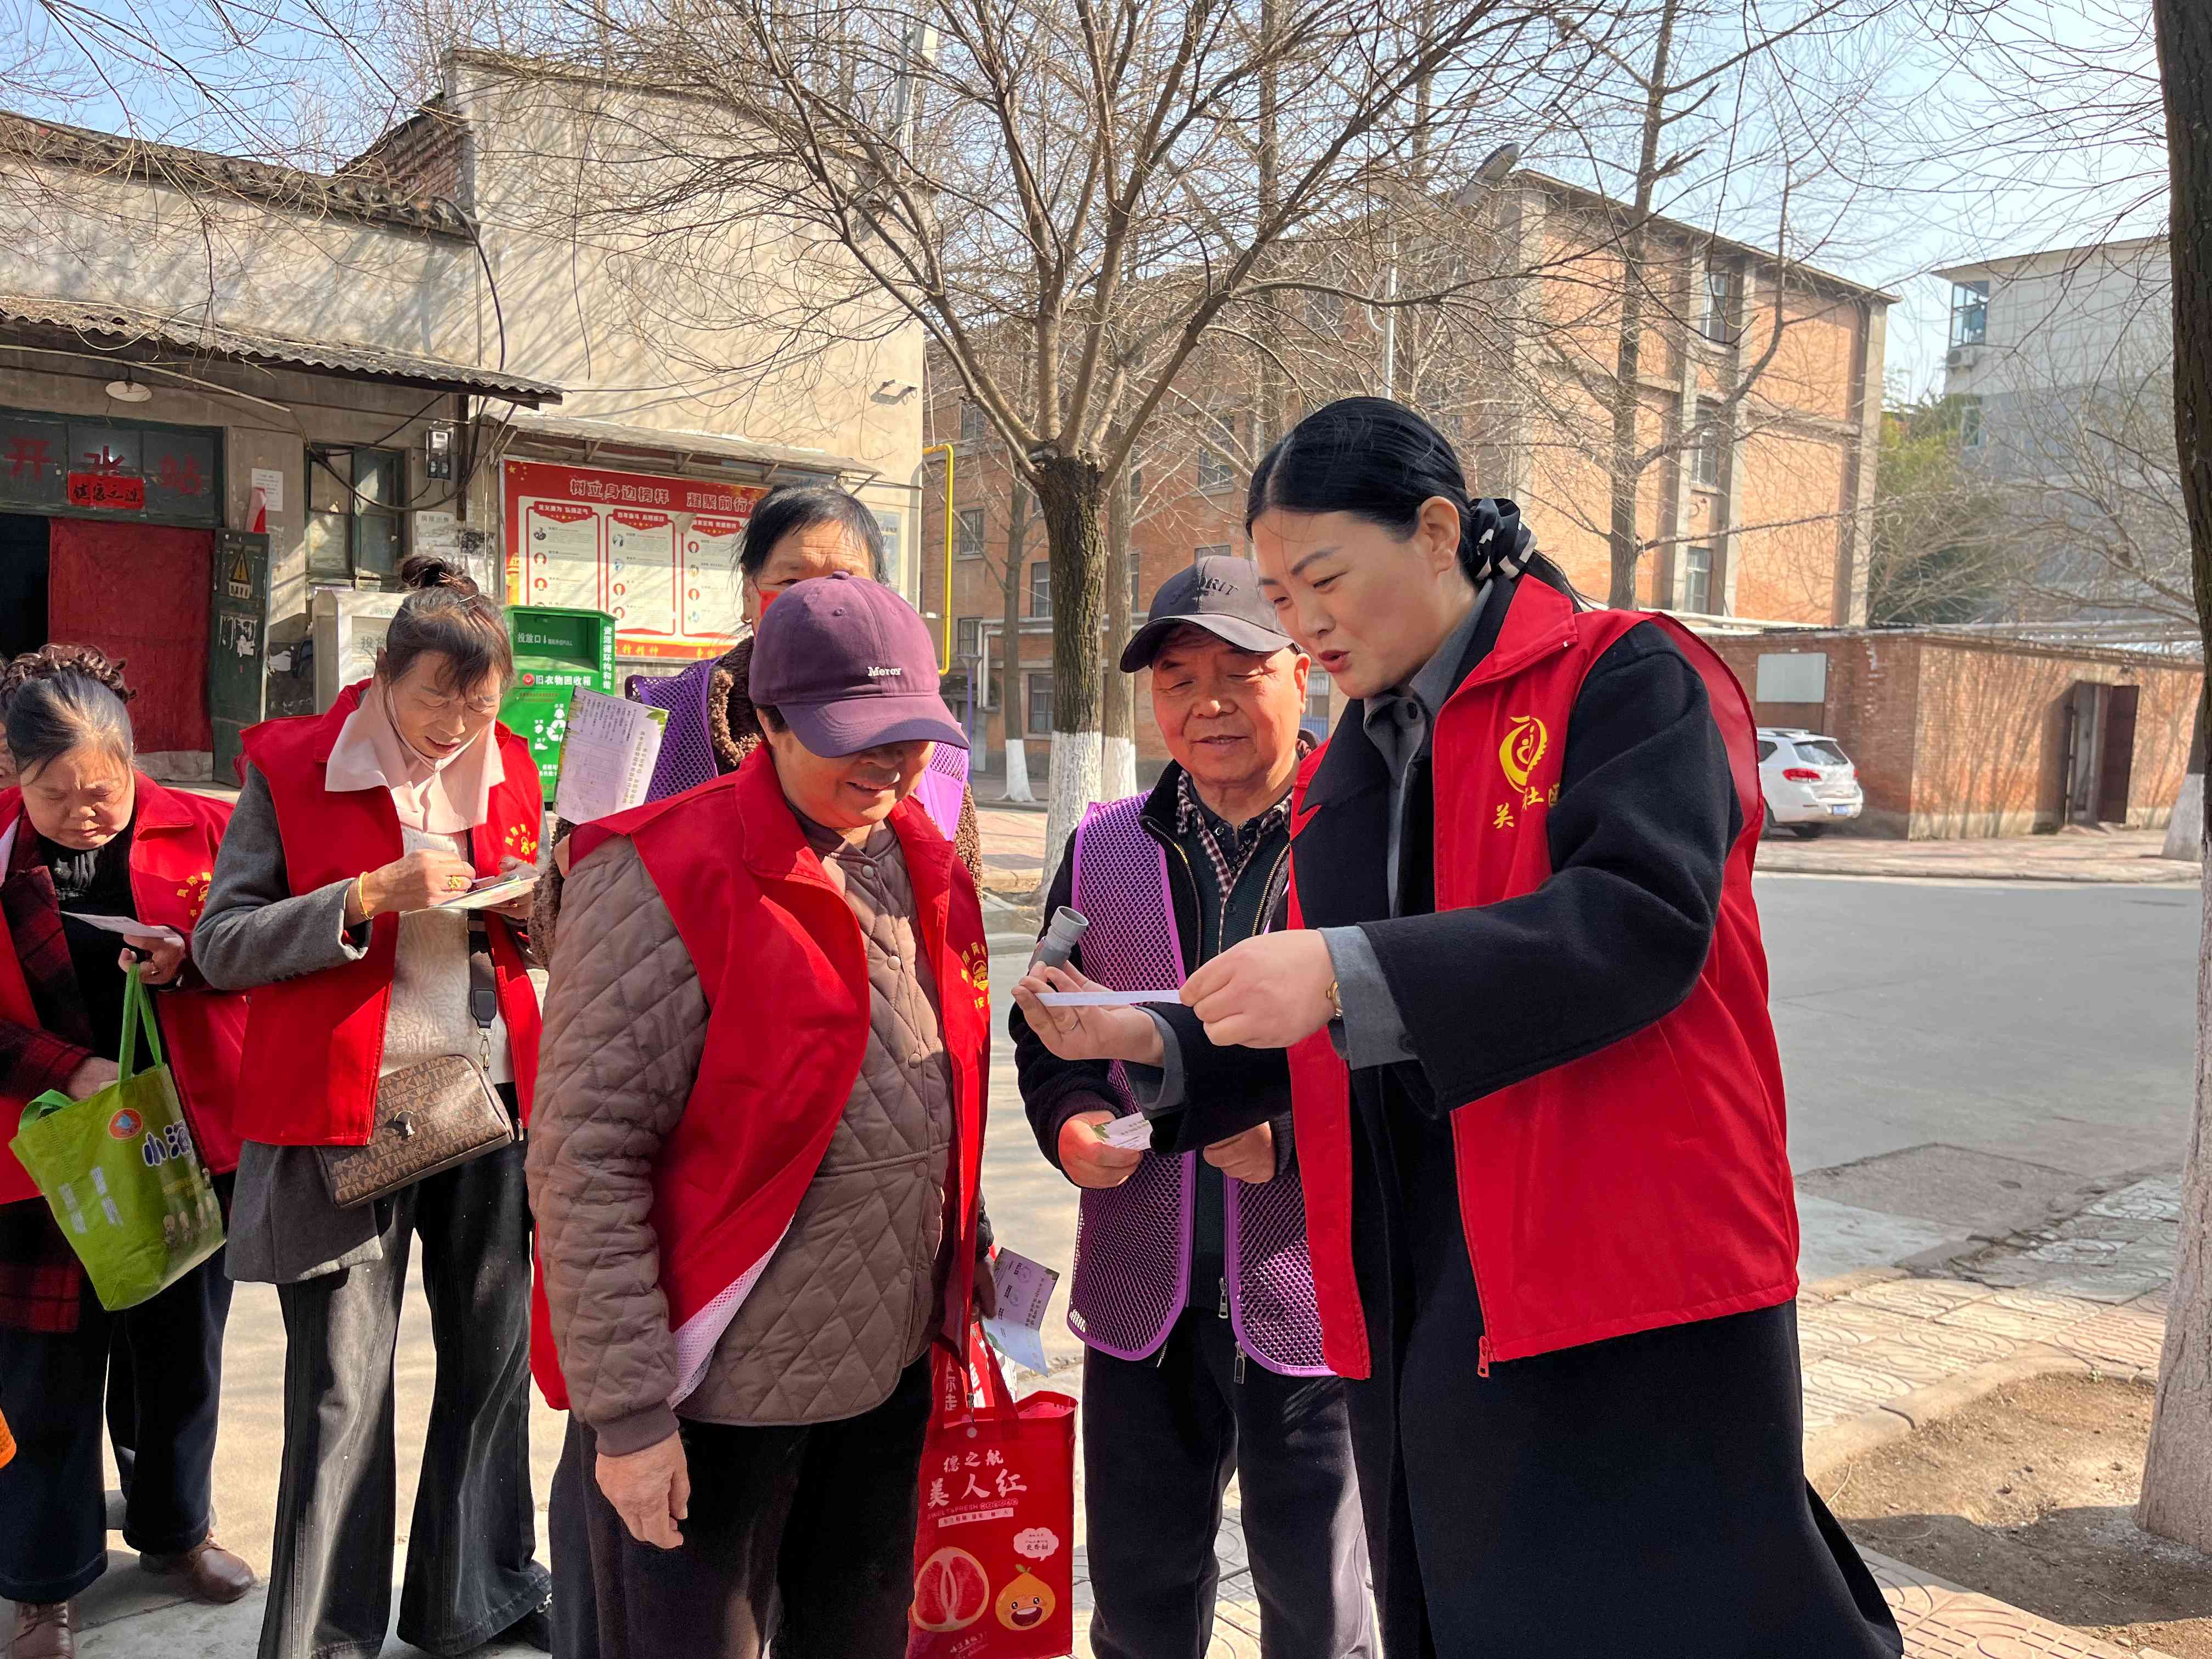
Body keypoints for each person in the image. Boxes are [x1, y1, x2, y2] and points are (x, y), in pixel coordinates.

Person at [1064, 399, 1905, 1658]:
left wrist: (1340, 969)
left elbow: (1640, 922)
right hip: (1422, 1270)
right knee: (1455, 1602)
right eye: (1284, 598)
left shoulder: (1623, 678)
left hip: (1617, 1263)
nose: (1308, 624)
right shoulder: (1360, 761)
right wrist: (1172, 1053)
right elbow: (1346, 1026)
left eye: (1326, 581)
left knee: (1669, 1608)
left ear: (1438, 531)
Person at [529, 573, 994, 1659]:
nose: (887, 764)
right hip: (714, 1397)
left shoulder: (921, 863)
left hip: (882, 1373)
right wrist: (630, 1416)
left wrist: (963, 1260)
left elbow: (933, 1094)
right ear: (770, 720)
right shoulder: (658, 872)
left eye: (908, 735)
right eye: (851, 736)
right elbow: (586, 1157)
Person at [1007, 558, 1372, 1659]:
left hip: (1312, 1297)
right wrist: (1070, 1122)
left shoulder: (1365, 836)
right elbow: (1044, 1026)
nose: (1207, 703)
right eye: (1177, 678)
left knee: (1320, 1609)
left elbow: (1419, 1058)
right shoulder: (1100, 845)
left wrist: (1291, 1140)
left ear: (1301, 674)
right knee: (1137, 1601)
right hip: (1141, 1299)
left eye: (1239, 671)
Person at [194, 555, 553, 1659]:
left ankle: (474, 1597)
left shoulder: (511, 764)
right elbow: (221, 944)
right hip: (346, 1109)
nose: (456, 726)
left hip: (485, 1097)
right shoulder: (293, 765)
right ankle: (325, 1633)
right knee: (341, 1388)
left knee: (489, 1359)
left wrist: (533, 916)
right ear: (384, 674)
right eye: (436, 697)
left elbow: (532, 933)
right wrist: (363, 896)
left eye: (480, 705)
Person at [0, 661, 253, 1659]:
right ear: (16, 777)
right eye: (53, 793)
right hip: (37, 1160)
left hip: (180, 1140)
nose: (82, 813)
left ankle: (175, 1532)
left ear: (133, 761)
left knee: (178, 1359)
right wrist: (71, 1067)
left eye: (101, 788)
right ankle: (43, 1580)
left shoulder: (209, 830)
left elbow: (264, 956)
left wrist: (191, 961)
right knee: (43, 1376)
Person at [532, 483, 979, 959]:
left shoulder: (935, 750)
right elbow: (557, 932)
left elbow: (959, 937)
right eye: (791, 582)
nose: (819, 605)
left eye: (845, 581)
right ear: (749, 594)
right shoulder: (637, 722)